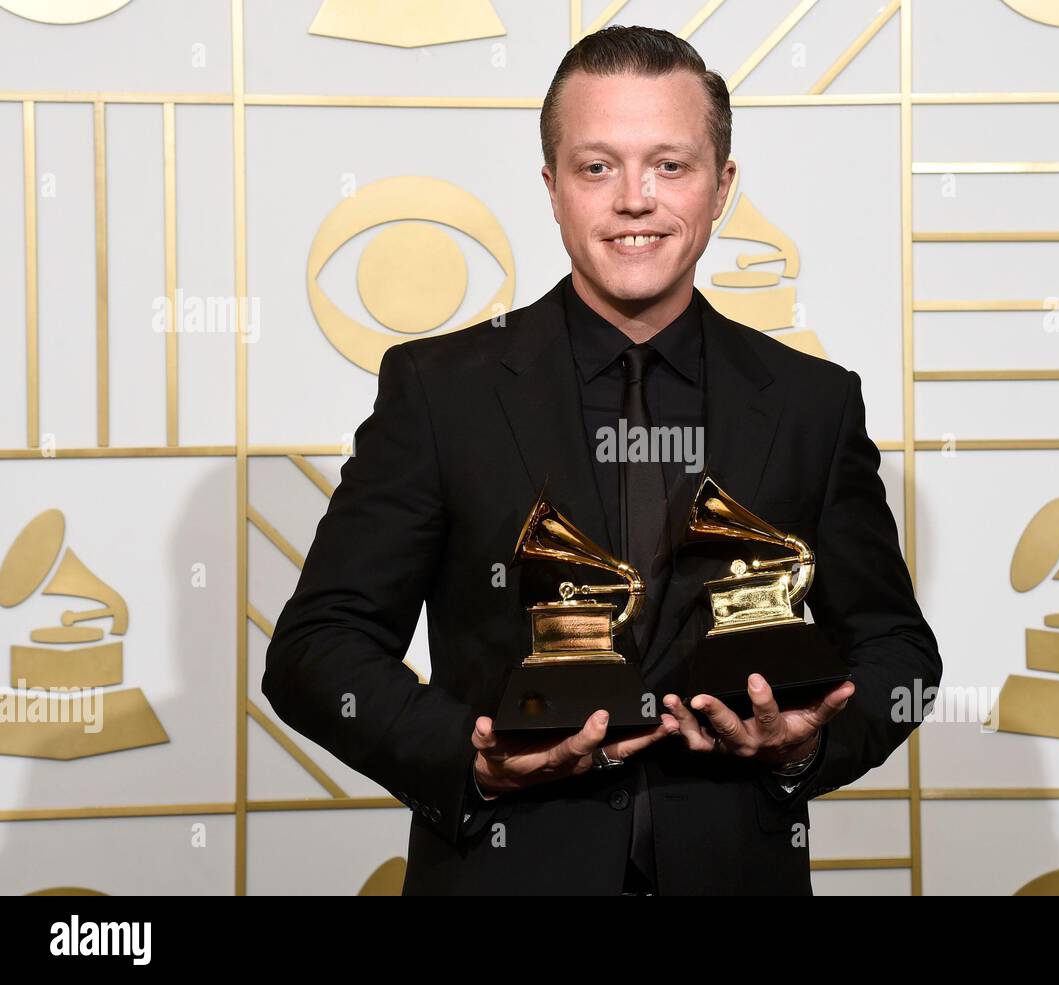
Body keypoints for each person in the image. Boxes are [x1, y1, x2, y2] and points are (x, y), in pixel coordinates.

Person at [262, 24, 942, 896]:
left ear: (722, 185)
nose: (634, 200)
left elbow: (898, 653)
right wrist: (473, 760)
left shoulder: (812, 401)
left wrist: (807, 745)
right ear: (551, 188)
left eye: (670, 165)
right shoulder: (440, 391)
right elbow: (317, 650)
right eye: (596, 167)